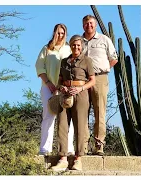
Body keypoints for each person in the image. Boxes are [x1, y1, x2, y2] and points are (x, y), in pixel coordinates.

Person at [51, 35, 96, 171]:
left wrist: (81, 88)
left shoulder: (87, 60)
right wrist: (61, 87)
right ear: (70, 45)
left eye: (78, 45)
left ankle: (78, 159)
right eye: (73, 45)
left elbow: (92, 80)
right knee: (62, 125)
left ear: (81, 46)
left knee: (80, 126)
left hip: (81, 94)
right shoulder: (64, 61)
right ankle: (63, 158)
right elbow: (59, 80)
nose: (76, 47)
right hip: (65, 95)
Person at [35, 23, 75, 156]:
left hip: (65, 88)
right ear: (54, 33)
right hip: (48, 87)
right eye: (58, 32)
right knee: (48, 116)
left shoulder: (69, 49)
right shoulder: (46, 49)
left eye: (63, 33)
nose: (60, 35)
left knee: (67, 118)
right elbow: (40, 67)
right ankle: (45, 149)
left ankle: (68, 149)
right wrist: (48, 83)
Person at [82, 15, 118, 155]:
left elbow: (114, 58)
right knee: (82, 113)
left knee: (100, 113)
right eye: (86, 24)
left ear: (95, 25)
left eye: (91, 23)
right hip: (83, 81)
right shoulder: (79, 41)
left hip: (100, 79)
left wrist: (106, 68)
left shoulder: (104, 39)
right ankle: (83, 146)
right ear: (83, 25)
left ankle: (99, 146)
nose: (88, 26)